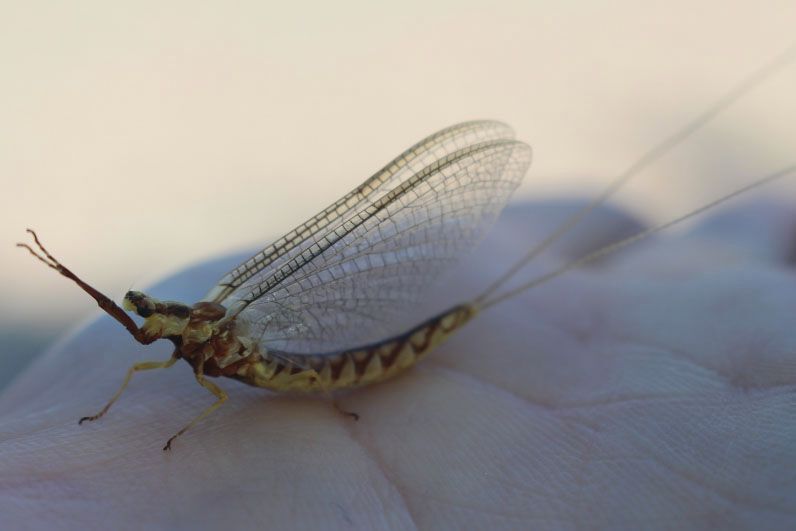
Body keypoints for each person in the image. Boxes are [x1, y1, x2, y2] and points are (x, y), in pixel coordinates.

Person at [1, 200, 795, 529]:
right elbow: (146, 353)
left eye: (141, 310)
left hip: (333, 371)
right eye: (137, 309)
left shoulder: (212, 340)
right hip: (288, 372)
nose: (139, 318)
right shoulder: (179, 345)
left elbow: (214, 400)